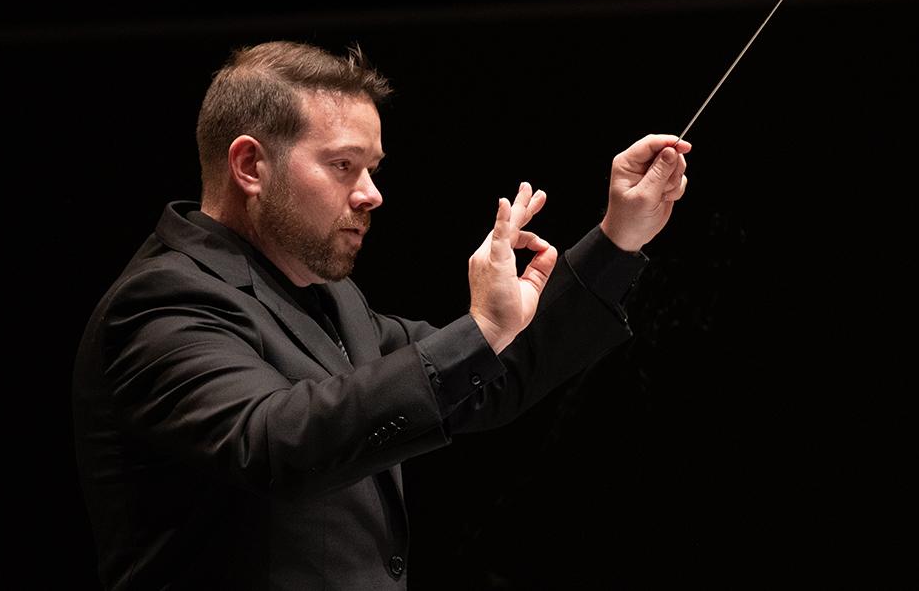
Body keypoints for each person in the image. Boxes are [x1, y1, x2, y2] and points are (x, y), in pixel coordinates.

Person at [72, 40, 690, 590]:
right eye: (344, 165)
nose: (372, 193)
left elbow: (488, 373)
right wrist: (482, 329)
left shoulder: (332, 299)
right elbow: (270, 444)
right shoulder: (160, 303)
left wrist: (617, 237)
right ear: (250, 166)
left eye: (373, 168)